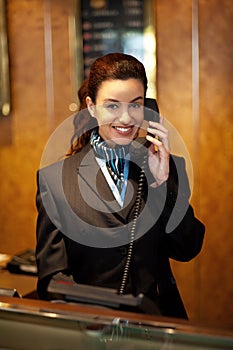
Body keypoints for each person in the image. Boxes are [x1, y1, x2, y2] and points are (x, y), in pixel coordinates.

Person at [35, 52, 205, 319]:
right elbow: (52, 279)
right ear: (92, 107)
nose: (126, 119)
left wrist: (162, 183)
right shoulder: (55, 181)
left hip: (158, 327)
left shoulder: (166, 167)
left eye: (135, 105)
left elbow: (187, 249)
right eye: (112, 106)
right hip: (91, 332)